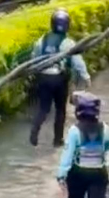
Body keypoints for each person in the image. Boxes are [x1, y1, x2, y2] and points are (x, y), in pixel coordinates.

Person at [30, 9, 92, 147]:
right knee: (60, 109)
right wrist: (86, 76)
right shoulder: (68, 42)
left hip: (43, 76)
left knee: (43, 108)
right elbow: (77, 62)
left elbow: (33, 58)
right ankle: (57, 140)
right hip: (59, 78)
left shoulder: (42, 40)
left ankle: (34, 132)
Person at [56, 91, 109, 198]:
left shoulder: (75, 131)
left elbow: (68, 154)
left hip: (78, 173)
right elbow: (108, 145)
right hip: (99, 172)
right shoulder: (105, 129)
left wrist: (61, 174)